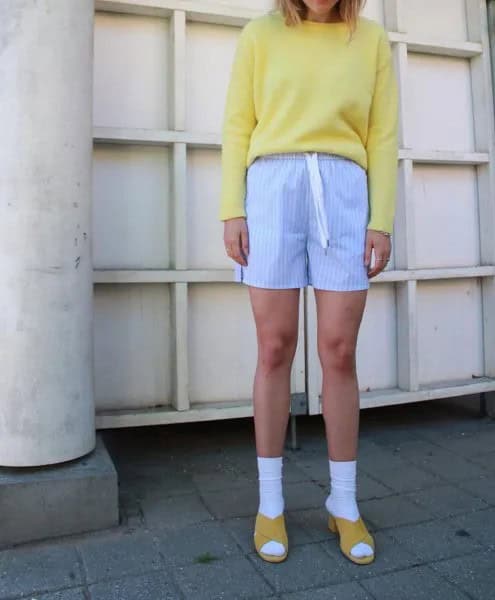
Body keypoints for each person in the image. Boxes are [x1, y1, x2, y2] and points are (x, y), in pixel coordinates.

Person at [219, 0, 398, 564]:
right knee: (274, 347)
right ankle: (270, 502)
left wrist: (381, 219)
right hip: (272, 190)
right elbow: (237, 125)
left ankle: (343, 503)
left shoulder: (369, 40)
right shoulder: (259, 35)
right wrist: (232, 208)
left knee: (339, 352)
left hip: (345, 194)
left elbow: (383, 134)